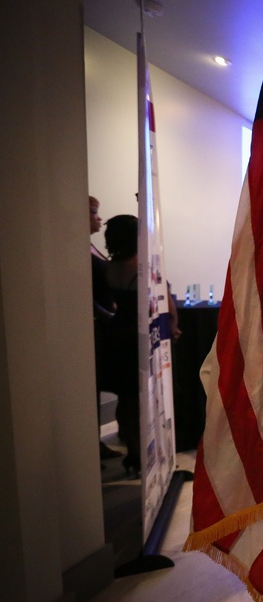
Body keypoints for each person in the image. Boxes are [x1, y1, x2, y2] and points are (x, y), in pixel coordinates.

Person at [103, 215, 142, 476]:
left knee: (125, 396)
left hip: (115, 334)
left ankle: (130, 449)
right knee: (138, 399)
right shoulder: (139, 266)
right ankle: (139, 456)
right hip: (136, 335)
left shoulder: (107, 267)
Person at [89, 196, 120, 461]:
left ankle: (95, 442)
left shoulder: (90, 247)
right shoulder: (78, 251)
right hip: (96, 328)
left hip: (106, 326)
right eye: (93, 213)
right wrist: (108, 314)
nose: (98, 218)